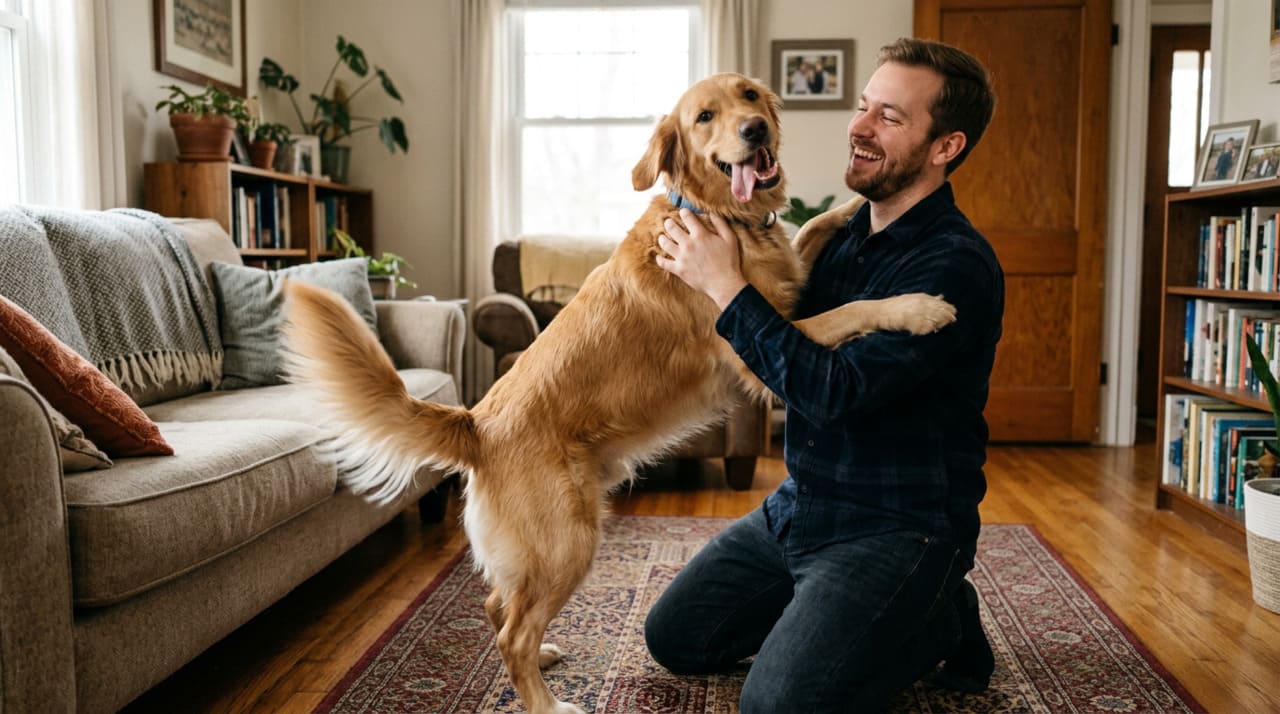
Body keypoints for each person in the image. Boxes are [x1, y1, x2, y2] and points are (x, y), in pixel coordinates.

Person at [647, 37, 1005, 712]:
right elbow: (775, 343)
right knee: (676, 639)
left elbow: (828, 391)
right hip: (802, 506)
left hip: (897, 524)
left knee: (775, 707)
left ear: (945, 147)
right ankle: (864, 614)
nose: (860, 126)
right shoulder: (839, 237)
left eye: (890, 118)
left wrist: (726, 289)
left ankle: (939, 615)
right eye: (864, 106)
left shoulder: (954, 265)